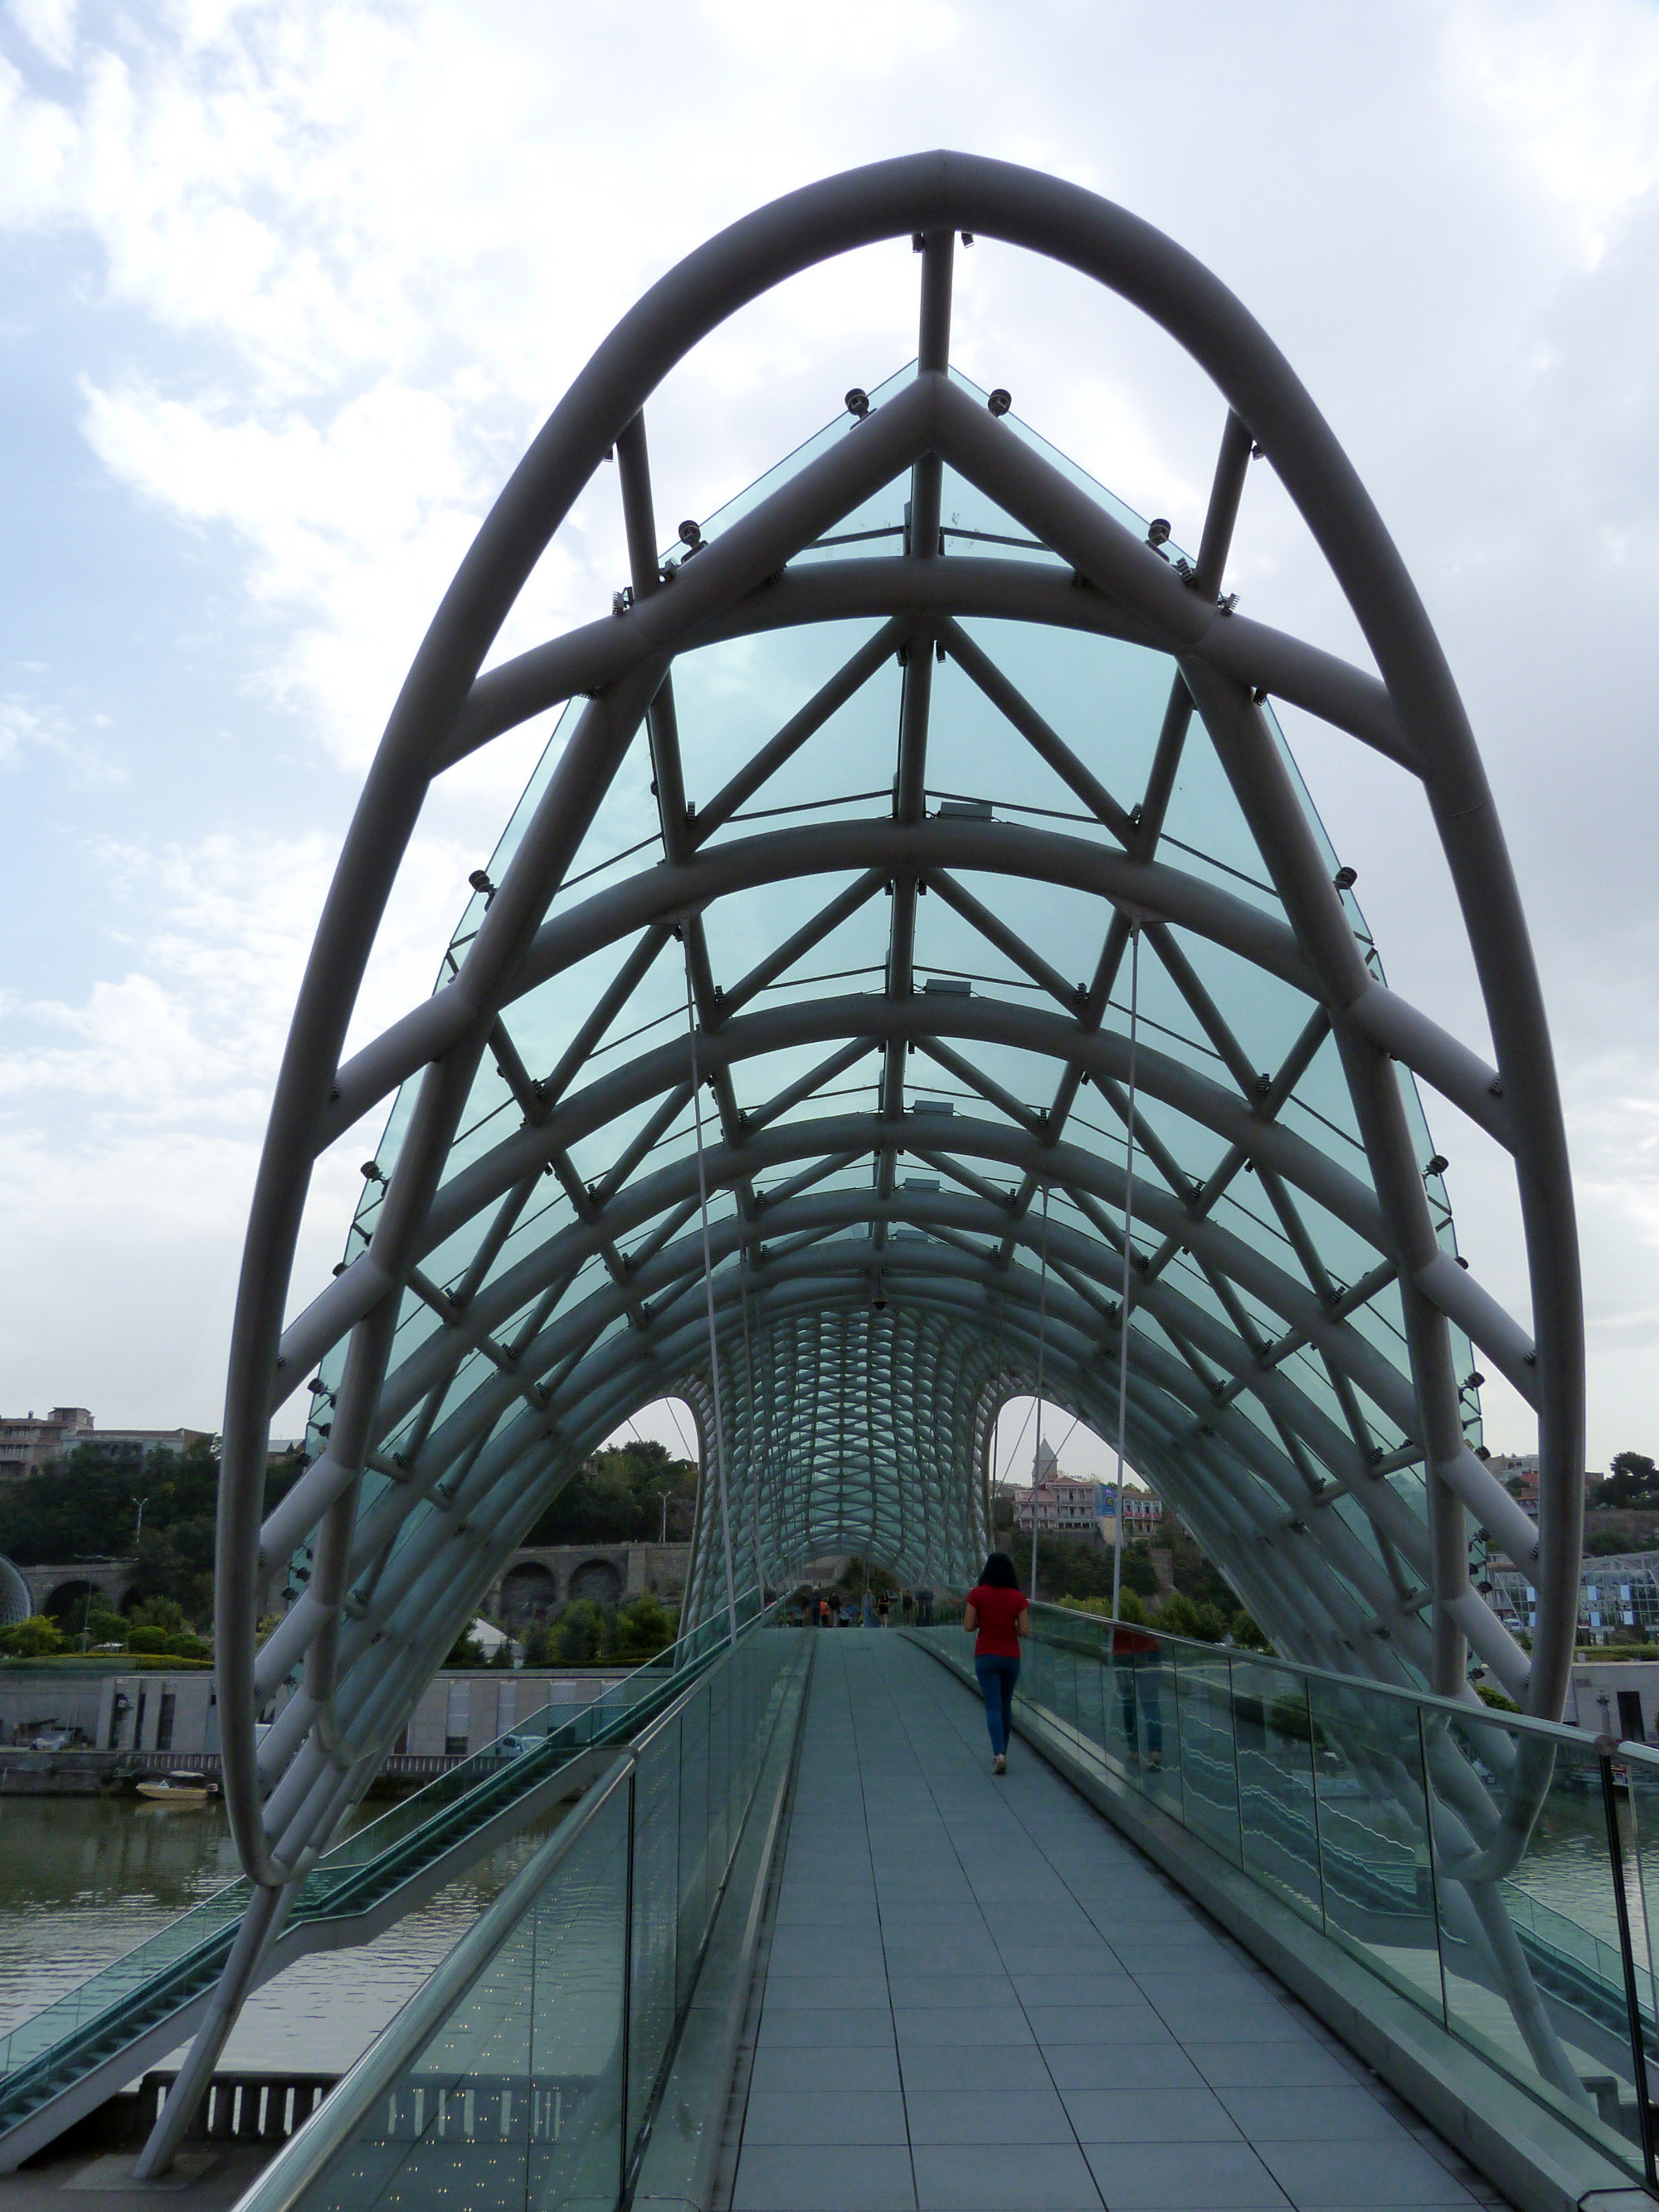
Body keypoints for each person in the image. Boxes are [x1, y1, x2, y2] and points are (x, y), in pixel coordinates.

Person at [963, 1552, 1029, 1774]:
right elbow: (1025, 1631)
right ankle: (1004, 1753)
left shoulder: (976, 1594)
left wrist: (985, 1622)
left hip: (986, 1655)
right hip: (1011, 1656)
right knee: (1005, 1704)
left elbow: (968, 1626)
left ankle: (998, 1753)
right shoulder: (1017, 1597)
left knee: (992, 1705)